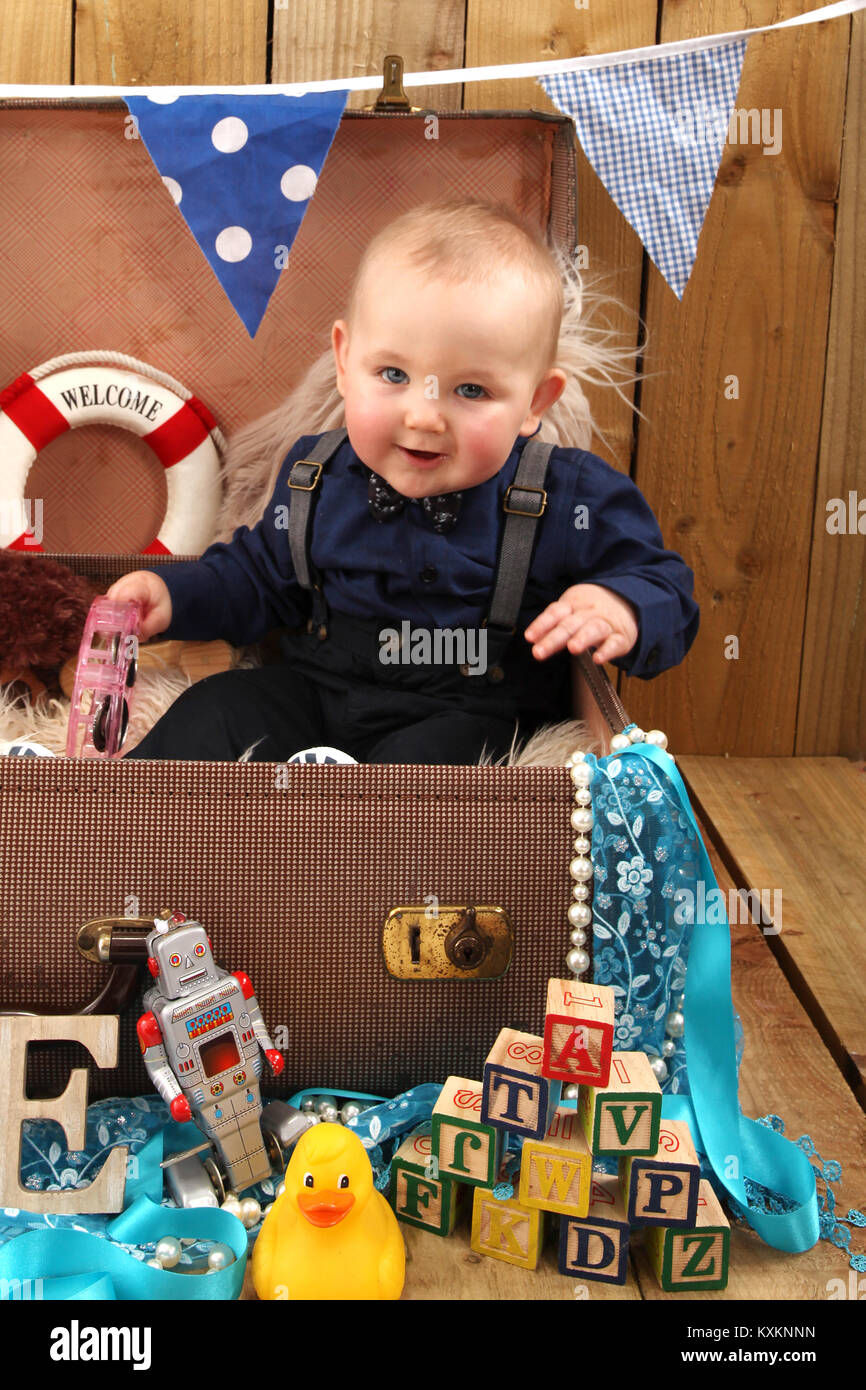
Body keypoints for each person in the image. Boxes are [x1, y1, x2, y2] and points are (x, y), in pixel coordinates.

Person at [111, 198, 698, 765]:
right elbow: (256, 579)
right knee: (216, 705)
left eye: (472, 390)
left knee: (419, 774)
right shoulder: (316, 475)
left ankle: (347, 859)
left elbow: (665, 584)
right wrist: (176, 598)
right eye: (393, 374)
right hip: (318, 695)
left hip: (466, 714)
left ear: (534, 402)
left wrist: (622, 604)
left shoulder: (565, 496)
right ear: (345, 364)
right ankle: (121, 832)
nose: (423, 415)